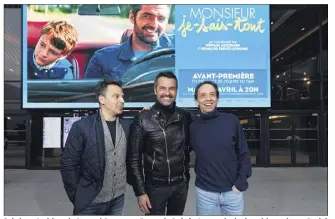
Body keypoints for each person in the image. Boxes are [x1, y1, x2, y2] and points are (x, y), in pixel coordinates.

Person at [60, 78, 132, 215]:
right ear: (102, 99)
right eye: (116, 96)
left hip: (117, 199)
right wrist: (77, 196)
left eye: (122, 96)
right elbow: (68, 164)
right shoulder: (81, 127)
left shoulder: (127, 126)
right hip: (90, 201)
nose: (122, 100)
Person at [127, 72, 192, 215]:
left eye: (172, 88)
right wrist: (140, 191)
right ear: (155, 90)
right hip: (154, 188)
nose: (167, 93)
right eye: (162, 88)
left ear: (176, 91)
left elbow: (192, 145)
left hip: (180, 186)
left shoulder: (185, 116)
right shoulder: (142, 119)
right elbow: (134, 160)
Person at [189, 81, 252, 216]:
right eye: (203, 95)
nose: (208, 99)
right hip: (205, 192)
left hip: (232, 192)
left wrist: (240, 184)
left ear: (217, 99)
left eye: (212, 95)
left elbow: (244, 154)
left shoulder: (231, 121)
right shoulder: (193, 127)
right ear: (196, 101)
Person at [84, 4, 174, 80]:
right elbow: (88, 98)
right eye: (147, 16)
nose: (154, 25)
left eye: (161, 18)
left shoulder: (177, 52)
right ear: (132, 17)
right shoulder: (102, 58)